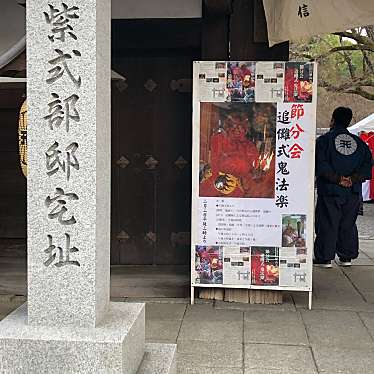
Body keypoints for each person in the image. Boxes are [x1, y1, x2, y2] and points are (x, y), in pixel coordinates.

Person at [314, 107, 372, 268]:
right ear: (349, 121)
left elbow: (321, 164)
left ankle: (325, 258)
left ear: (332, 120)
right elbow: (367, 165)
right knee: (348, 223)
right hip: (352, 192)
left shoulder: (324, 141)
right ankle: (346, 256)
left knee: (327, 222)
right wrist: (352, 179)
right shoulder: (360, 143)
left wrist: (337, 179)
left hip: (330, 191)